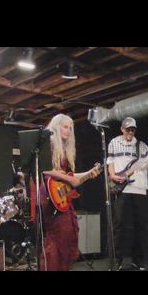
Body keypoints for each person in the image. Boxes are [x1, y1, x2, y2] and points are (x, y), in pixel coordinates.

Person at [39, 114, 100, 271]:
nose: (68, 130)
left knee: (67, 236)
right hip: (50, 196)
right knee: (57, 238)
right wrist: (69, 179)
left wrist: (88, 173)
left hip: (62, 197)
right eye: (65, 127)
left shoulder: (65, 150)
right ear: (56, 127)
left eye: (70, 128)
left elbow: (70, 178)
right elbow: (43, 169)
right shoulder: (48, 144)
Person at [107, 117, 148, 271]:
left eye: (132, 129)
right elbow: (110, 162)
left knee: (141, 226)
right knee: (120, 226)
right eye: (127, 129)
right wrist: (112, 176)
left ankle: (138, 260)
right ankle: (119, 260)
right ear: (122, 129)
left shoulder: (143, 146)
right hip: (122, 189)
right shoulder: (113, 142)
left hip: (140, 189)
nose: (130, 132)